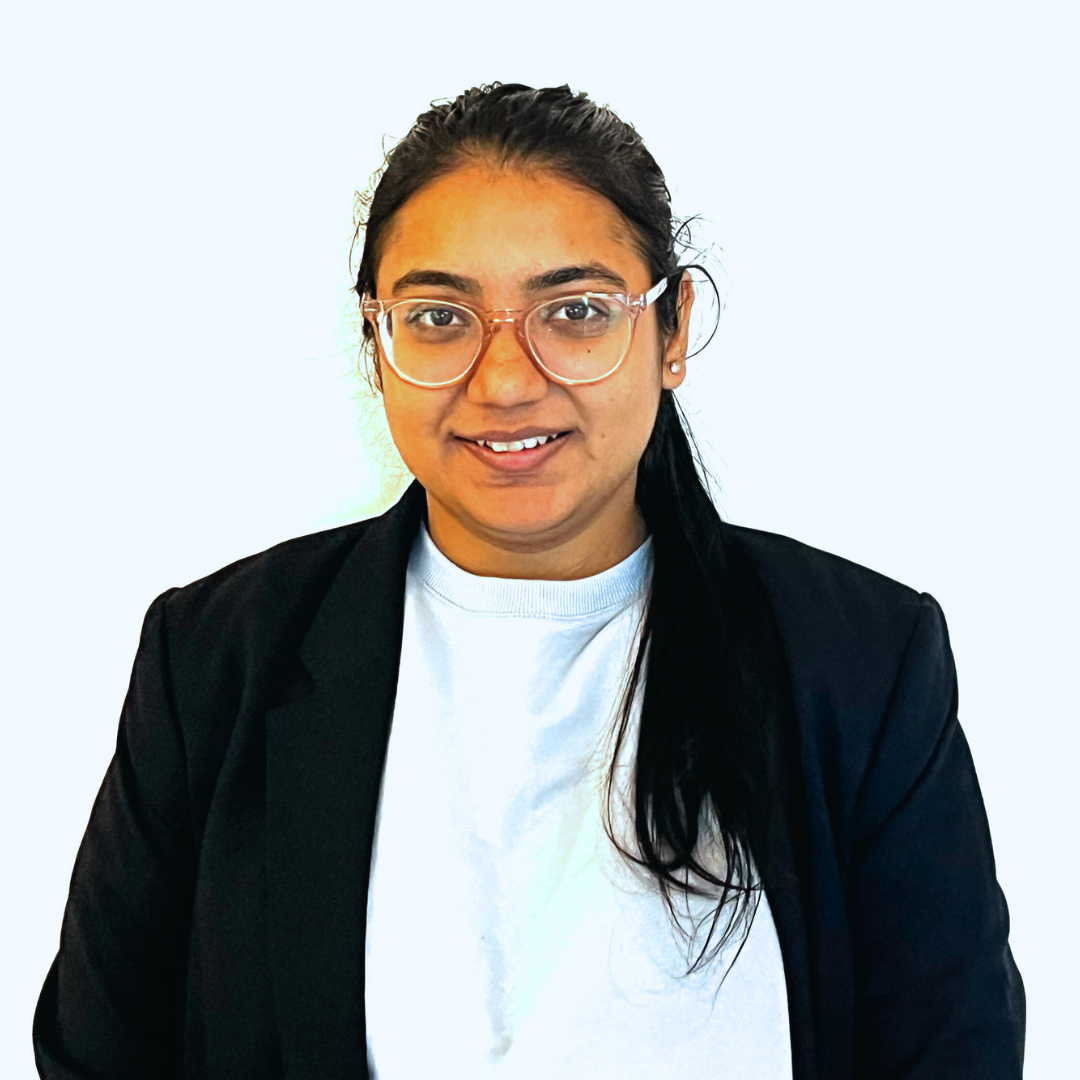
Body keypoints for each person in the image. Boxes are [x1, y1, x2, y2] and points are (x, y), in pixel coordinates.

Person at [34, 83, 1024, 1080]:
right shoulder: (217, 659)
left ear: (671, 329)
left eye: (578, 311)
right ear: (376, 344)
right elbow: (100, 1054)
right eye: (437, 317)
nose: (505, 379)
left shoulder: (858, 661)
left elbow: (954, 1053)